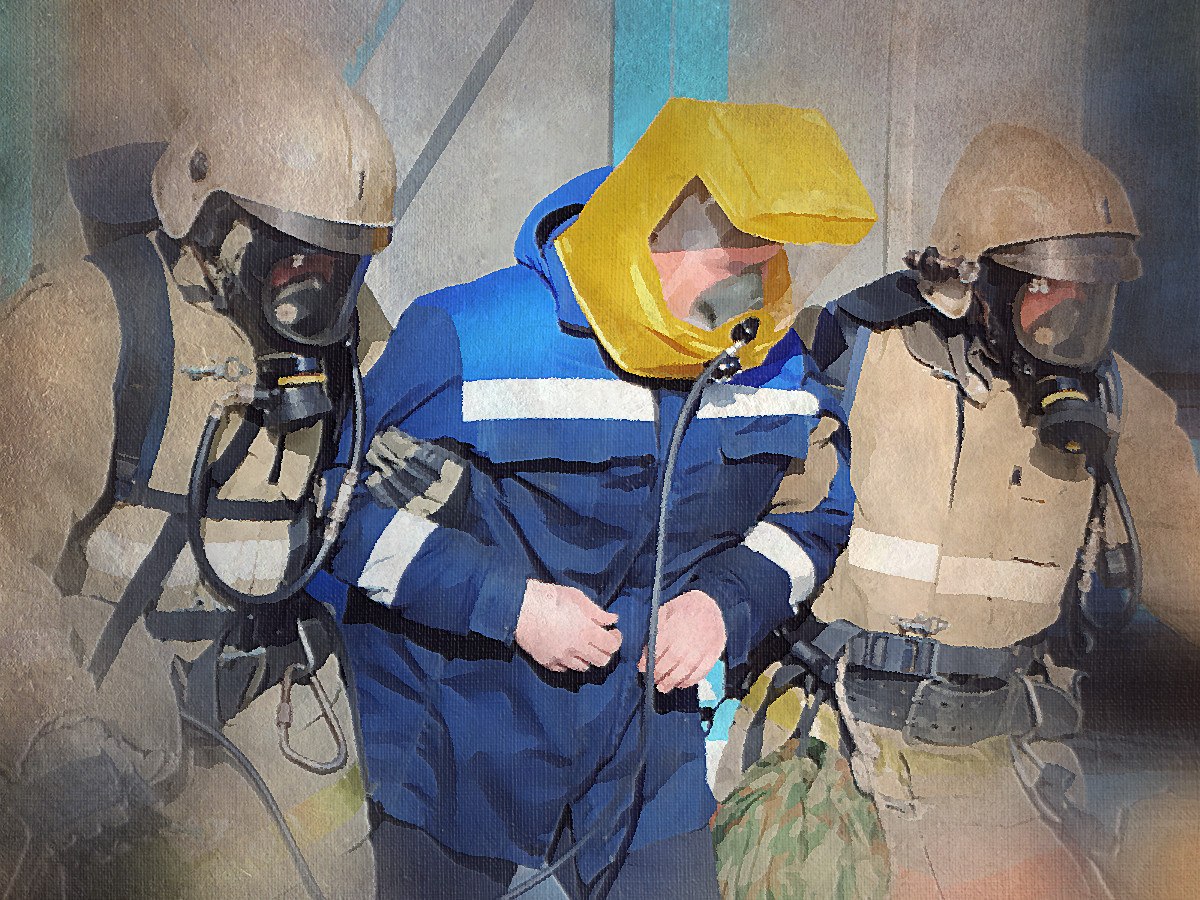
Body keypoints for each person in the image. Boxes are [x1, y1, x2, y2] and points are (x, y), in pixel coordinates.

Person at [323, 98, 878, 899]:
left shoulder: (772, 364)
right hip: (461, 723)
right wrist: (509, 604)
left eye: (773, 264)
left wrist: (724, 605)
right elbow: (338, 509)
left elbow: (815, 512)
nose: (756, 293)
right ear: (659, 235)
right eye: (736, 265)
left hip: (646, 734)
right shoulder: (474, 336)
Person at [716, 123, 1200, 900]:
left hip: (1004, 783)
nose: (1071, 314)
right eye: (1046, 289)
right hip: (824, 771)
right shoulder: (841, 354)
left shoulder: (1114, 409)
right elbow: (703, 529)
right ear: (973, 281)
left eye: (1094, 293)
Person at [0, 42, 397, 899]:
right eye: (294, 262)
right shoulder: (77, 330)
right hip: (109, 727)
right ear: (213, 220)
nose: (318, 302)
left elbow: (391, 455)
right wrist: (53, 733)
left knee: (330, 864)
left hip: (274, 716)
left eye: (341, 266)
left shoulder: (350, 334)